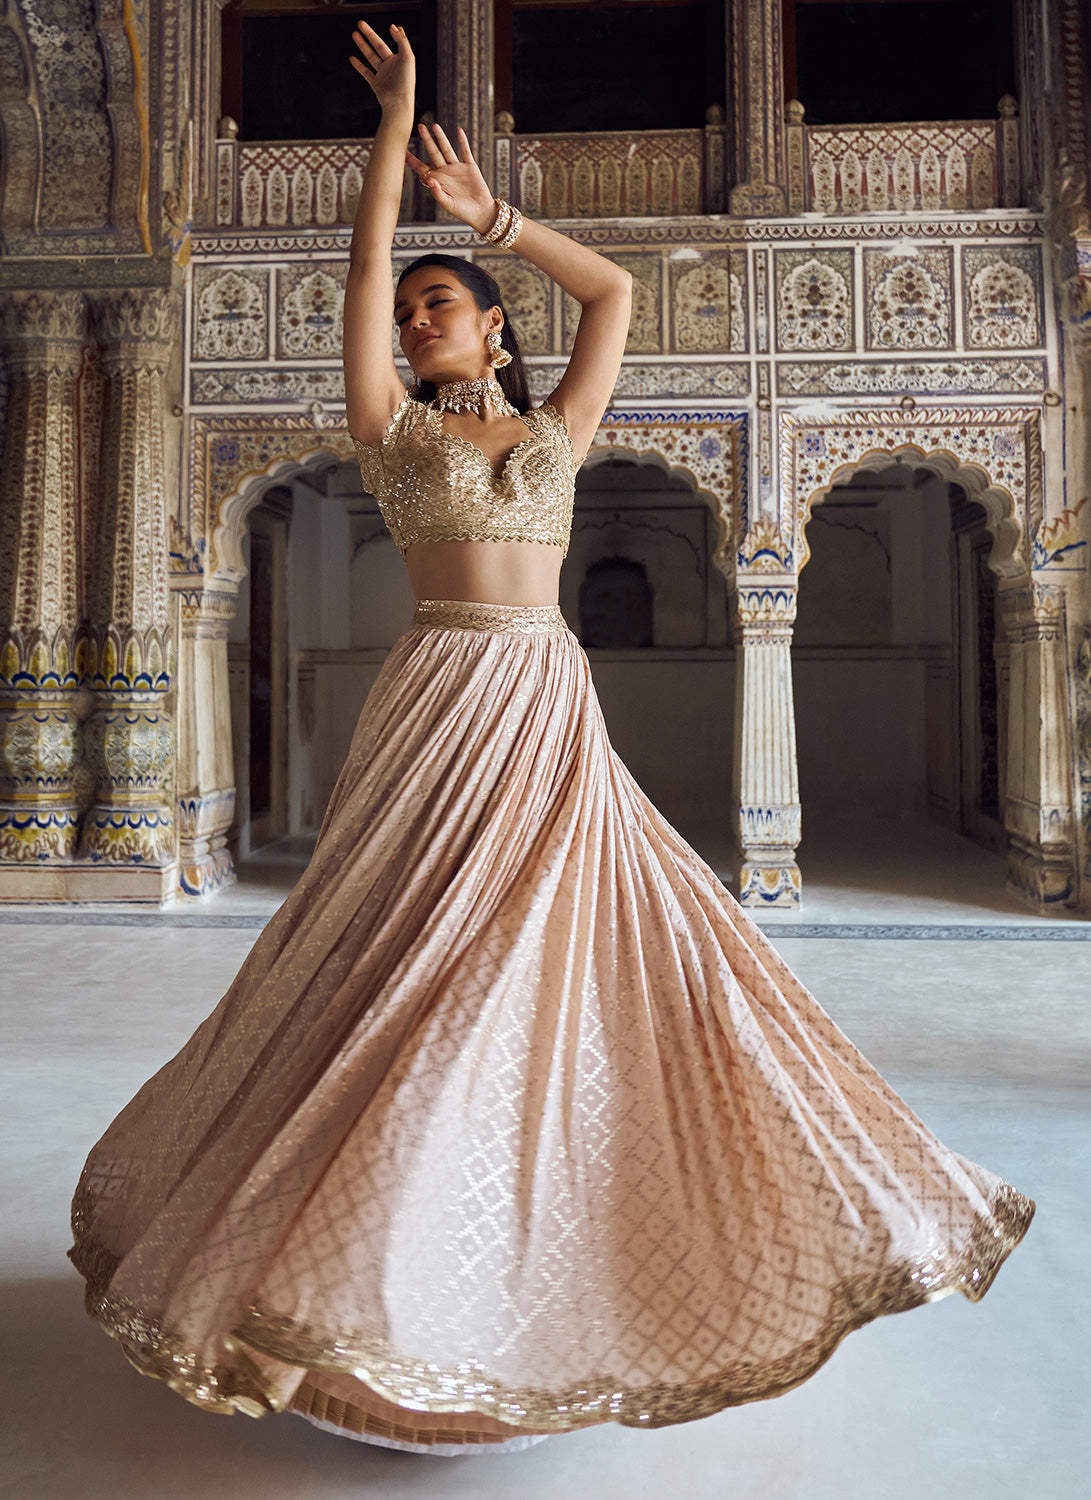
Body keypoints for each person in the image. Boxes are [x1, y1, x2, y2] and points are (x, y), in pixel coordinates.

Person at [69, 21, 1034, 1459]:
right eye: (412, 313)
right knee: (400, 955)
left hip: (544, 698)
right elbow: (360, 268)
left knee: (560, 949)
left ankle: (515, 1281)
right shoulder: (392, 432)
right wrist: (392, 131)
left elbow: (614, 290)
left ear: (494, 330)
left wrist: (496, 220)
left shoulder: (560, 431)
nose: (417, 321)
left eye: (442, 305)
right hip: (439, 696)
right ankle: (363, 1288)